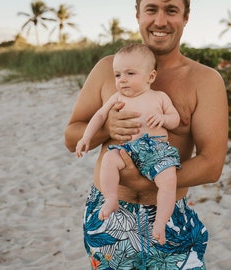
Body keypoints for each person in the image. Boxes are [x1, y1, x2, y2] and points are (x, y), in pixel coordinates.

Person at [65, 0, 228, 269]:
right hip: (109, 217)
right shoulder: (109, 70)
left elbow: (211, 166)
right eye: (151, 9)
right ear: (138, 15)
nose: (160, 21)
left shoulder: (205, 80)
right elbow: (71, 138)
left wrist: (147, 180)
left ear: (186, 17)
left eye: (171, 10)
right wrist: (108, 128)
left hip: (170, 218)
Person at [75, 43, 181, 245]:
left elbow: (175, 119)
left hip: (157, 150)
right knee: (109, 159)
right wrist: (86, 137)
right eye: (117, 75)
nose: (122, 80)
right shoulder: (118, 98)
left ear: (151, 76)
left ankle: (160, 223)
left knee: (168, 180)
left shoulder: (159, 97)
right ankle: (111, 198)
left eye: (130, 73)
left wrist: (163, 119)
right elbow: (99, 116)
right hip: (129, 150)